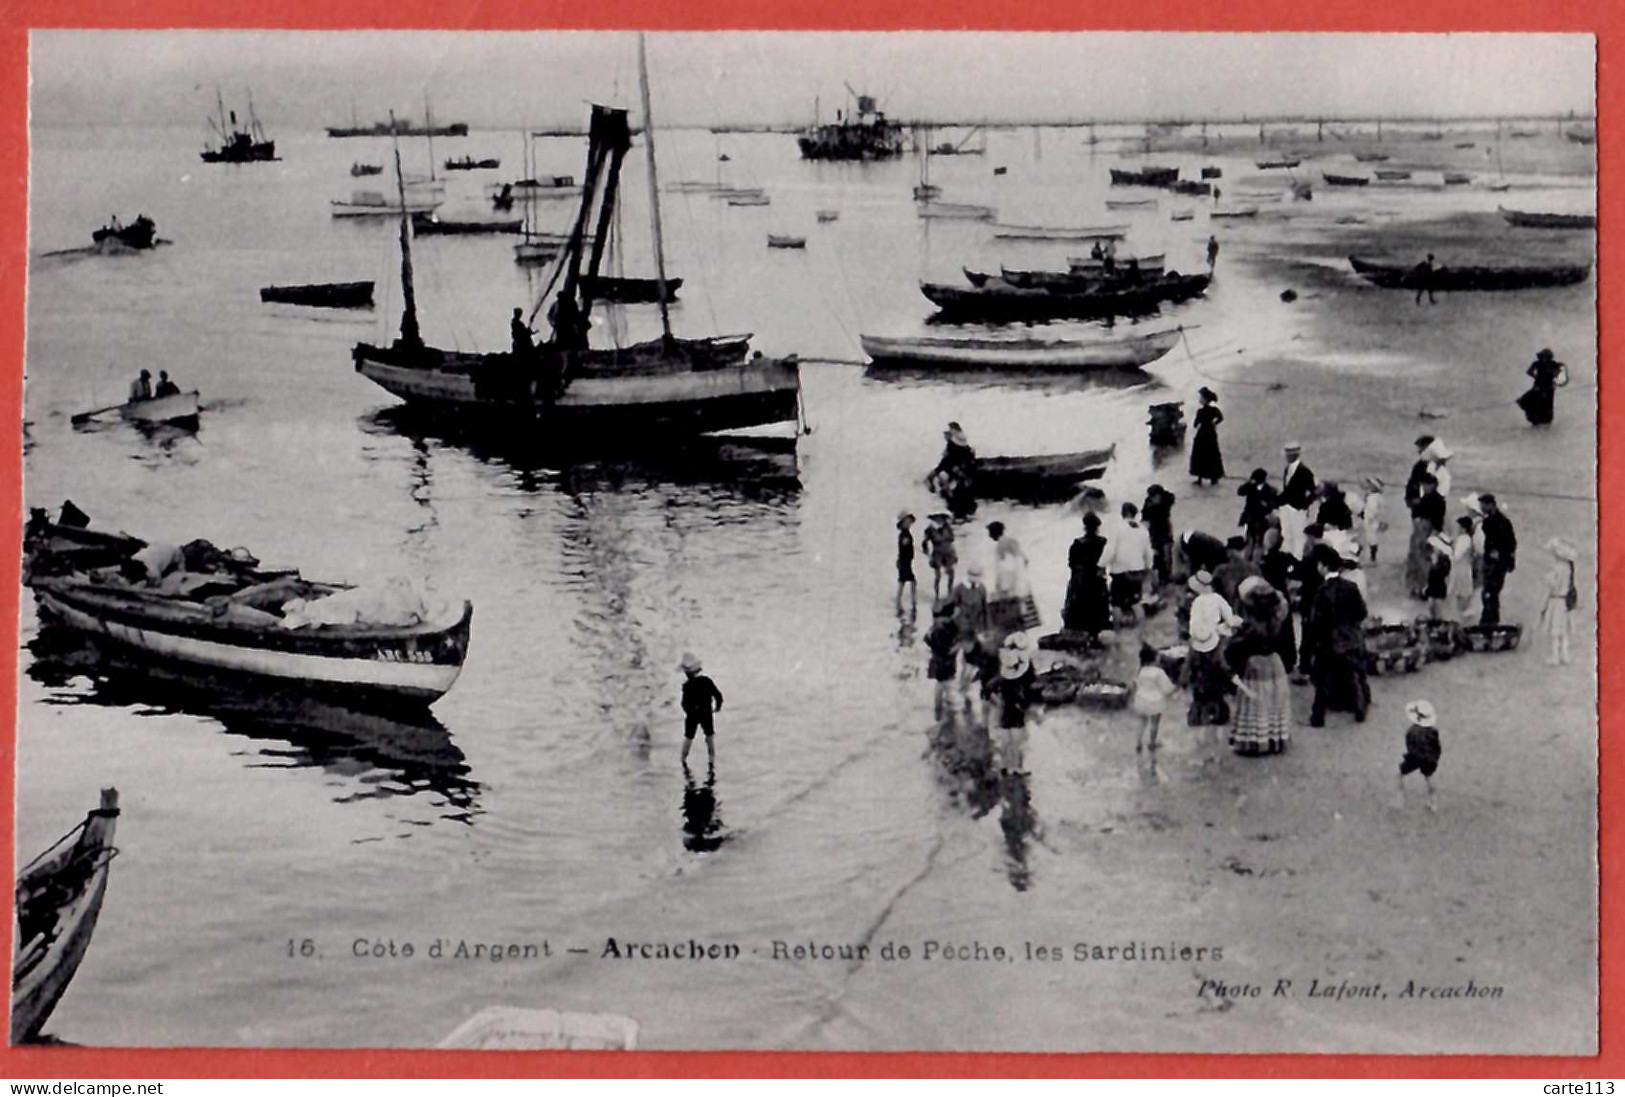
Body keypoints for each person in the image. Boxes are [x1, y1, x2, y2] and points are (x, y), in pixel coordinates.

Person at [1226, 577, 1293, 756]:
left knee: (1256, 702)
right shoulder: (1277, 619)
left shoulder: (1250, 626)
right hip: (1274, 662)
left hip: (1255, 665)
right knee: (1274, 702)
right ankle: (1274, 738)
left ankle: (1255, 741)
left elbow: (1233, 649)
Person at [1305, 546, 1370, 727]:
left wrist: (1312, 644)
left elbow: (1315, 622)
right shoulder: (1351, 587)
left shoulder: (1322, 591)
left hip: (1329, 641)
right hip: (1351, 637)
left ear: (1323, 566)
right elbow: (1362, 612)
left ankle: (1317, 717)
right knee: (1354, 675)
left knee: (1322, 680)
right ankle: (1359, 710)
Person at [1185, 570, 1240, 726]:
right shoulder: (1218, 599)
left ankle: (1198, 716)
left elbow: (1194, 628)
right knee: (1215, 677)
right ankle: (1220, 713)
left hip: (1201, 643)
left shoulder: (1197, 603)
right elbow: (1230, 619)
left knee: (1200, 678)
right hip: (1217, 641)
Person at [1062, 511, 1112, 640]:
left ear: (1084, 526)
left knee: (1080, 612)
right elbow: (1106, 560)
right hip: (1097, 580)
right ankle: (1095, 634)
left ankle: (1081, 635)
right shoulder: (1103, 542)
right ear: (1098, 527)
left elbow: (1071, 564)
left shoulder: (1077, 543)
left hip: (1081, 581)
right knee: (1098, 611)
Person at [1104, 503, 1155, 622]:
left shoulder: (1116, 527)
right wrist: (1148, 567)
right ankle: (1141, 629)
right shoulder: (1142, 529)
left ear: (1122, 513)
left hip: (1119, 571)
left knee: (1116, 603)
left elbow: (1110, 549)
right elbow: (1148, 551)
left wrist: (1101, 565)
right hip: (1137, 570)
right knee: (1136, 601)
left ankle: (1118, 630)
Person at [988, 522, 1039, 637]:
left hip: (1010, 583)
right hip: (1022, 582)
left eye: (990, 533)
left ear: (994, 532)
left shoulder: (1000, 545)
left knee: (1011, 612)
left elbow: (1002, 568)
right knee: (1023, 612)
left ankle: (1014, 636)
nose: (989, 536)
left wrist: (1001, 586)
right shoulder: (1013, 541)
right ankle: (1023, 637)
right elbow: (1025, 560)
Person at [951, 565, 993, 701]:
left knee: (971, 661)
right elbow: (952, 607)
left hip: (976, 630)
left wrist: (987, 629)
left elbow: (985, 610)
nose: (976, 579)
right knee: (969, 660)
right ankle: (962, 687)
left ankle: (964, 685)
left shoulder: (981, 588)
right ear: (968, 576)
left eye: (978, 577)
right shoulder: (959, 588)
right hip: (963, 630)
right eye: (974, 576)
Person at [1132, 642, 1180, 753]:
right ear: (1155, 659)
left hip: (1141, 700)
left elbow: (1135, 684)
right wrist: (1175, 688)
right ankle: (1152, 743)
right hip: (1155, 702)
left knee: (1141, 723)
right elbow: (1167, 687)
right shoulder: (1159, 672)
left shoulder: (1141, 671)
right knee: (1154, 724)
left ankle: (1138, 743)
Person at [1405, 472, 1446, 600]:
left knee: (1422, 561)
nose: (1425, 487)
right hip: (1420, 531)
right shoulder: (1430, 498)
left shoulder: (1436, 500)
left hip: (1426, 532)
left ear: (1433, 485)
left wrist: (1432, 536)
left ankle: (1421, 588)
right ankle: (1417, 588)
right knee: (1416, 560)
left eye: (1427, 484)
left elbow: (1437, 522)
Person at [1478, 493, 1517, 626]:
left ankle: (1489, 621)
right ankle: (1490, 619)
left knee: (1491, 592)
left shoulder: (1501, 522)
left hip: (1497, 563)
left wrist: (1500, 554)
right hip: (1492, 561)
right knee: (1489, 592)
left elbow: (1511, 543)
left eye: (1483, 505)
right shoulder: (1491, 521)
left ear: (1490, 505)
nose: (1481, 508)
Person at [1539, 537, 1579, 666]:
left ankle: (1555, 656)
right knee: (1564, 630)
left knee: (1555, 630)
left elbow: (1554, 585)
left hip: (1556, 600)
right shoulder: (1568, 568)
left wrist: (1547, 579)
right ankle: (1565, 654)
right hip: (1565, 601)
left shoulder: (1558, 568)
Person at [678, 652, 724, 765]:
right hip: (706, 713)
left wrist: (689, 711)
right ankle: (711, 758)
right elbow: (718, 696)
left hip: (692, 715)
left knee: (688, 737)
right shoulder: (707, 681)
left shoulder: (687, 686)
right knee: (709, 736)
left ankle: (683, 758)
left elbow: (684, 703)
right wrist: (717, 707)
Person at [1397, 700, 1442, 811]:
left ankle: (1400, 798)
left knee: (1399, 773)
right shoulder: (1433, 731)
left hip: (1415, 757)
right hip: (1429, 758)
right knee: (1429, 777)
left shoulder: (1411, 731)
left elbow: (1409, 746)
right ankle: (1433, 802)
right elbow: (1437, 746)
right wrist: (1434, 757)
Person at [1278, 442, 1316, 558]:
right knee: (1287, 534)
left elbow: (1313, 490)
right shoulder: (1287, 470)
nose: (1287, 457)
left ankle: (1297, 560)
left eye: (1290, 454)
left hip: (1298, 509)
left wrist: (1305, 504)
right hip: (1286, 507)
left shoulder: (1304, 471)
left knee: (1299, 536)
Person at [924, 601, 961, 718]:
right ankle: (951, 707)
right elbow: (952, 646)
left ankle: (938, 709)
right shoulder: (947, 628)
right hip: (946, 662)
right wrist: (957, 647)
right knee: (948, 684)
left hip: (937, 661)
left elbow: (927, 639)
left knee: (940, 684)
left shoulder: (934, 628)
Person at [1517, 348, 1569, 426]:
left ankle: (1537, 418)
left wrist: (1536, 376)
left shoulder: (1540, 363)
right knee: (1541, 404)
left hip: (1542, 387)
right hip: (1544, 388)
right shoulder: (1550, 364)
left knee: (1534, 402)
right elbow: (1559, 376)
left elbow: (1529, 372)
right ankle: (1538, 418)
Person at [1236, 468, 1278, 560]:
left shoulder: (1270, 491)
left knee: (1259, 540)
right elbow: (1240, 492)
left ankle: (1255, 558)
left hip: (1261, 519)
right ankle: (1249, 557)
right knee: (1249, 538)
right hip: (1250, 517)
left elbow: (1274, 504)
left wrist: (1267, 505)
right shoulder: (1250, 487)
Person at [1142, 485, 1177, 586]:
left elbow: (1172, 498)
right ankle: (1162, 576)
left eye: (1156, 497)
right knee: (1158, 554)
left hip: (1165, 529)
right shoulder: (1148, 505)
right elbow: (1145, 522)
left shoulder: (1167, 499)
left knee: (1168, 553)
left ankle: (1168, 574)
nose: (1154, 500)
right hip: (1155, 531)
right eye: (1153, 498)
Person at [1212, 535, 1261, 609]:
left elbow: (1212, 591)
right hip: (1249, 611)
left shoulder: (1221, 570)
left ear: (1229, 552)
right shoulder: (1255, 569)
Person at [1190, 387, 1226, 485]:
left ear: (1205, 399)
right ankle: (1214, 477)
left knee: (1200, 455)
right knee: (1212, 454)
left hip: (1202, 434)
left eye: (1201, 398)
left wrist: (1198, 424)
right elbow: (1220, 418)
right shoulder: (1214, 410)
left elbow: (1195, 424)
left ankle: (1200, 477)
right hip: (1211, 434)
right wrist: (1214, 423)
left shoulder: (1200, 411)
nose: (1200, 400)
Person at [1447, 515, 1479, 623]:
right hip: (1463, 568)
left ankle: (1462, 618)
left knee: (1460, 592)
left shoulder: (1464, 539)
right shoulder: (1466, 539)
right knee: (1462, 592)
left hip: (1460, 569)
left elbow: (1456, 555)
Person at [922, 513, 958, 600]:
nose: (939, 519)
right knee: (938, 576)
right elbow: (924, 543)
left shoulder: (948, 527)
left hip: (949, 552)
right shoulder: (929, 530)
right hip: (937, 553)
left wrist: (955, 554)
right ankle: (936, 595)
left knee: (951, 574)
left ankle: (950, 593)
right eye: (937, 517)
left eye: (941, 517)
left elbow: (952, 541)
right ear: (934, 518)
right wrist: (928, 554)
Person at [1424, 534, 1454, 622]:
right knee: (1432, 606)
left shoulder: (1444, 560)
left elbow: (1444, 572)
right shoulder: (1433, 558)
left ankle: (1438, 620)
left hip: (1439, 585)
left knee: (1438, 607)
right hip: (1433, 585)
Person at [895, 512, 918, 609]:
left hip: (906, 560)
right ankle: (910, 600)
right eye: (906, 522)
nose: (908, 523)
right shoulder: (904, 534)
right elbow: (904, 546)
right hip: (904, 561)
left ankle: (900, 599)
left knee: (904, 580)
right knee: (908, 580)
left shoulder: (906, 533)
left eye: (909, 522)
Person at [1360, 476, 1385, 562]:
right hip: (1370, 519)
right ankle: (1372, 556)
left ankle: (1372, 557)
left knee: (1371, 538)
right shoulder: (1373, 496)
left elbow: (1373, 510)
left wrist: (1369, 518)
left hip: (1371, 520)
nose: (1369, 486)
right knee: (1370, 538)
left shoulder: (1374, 497)